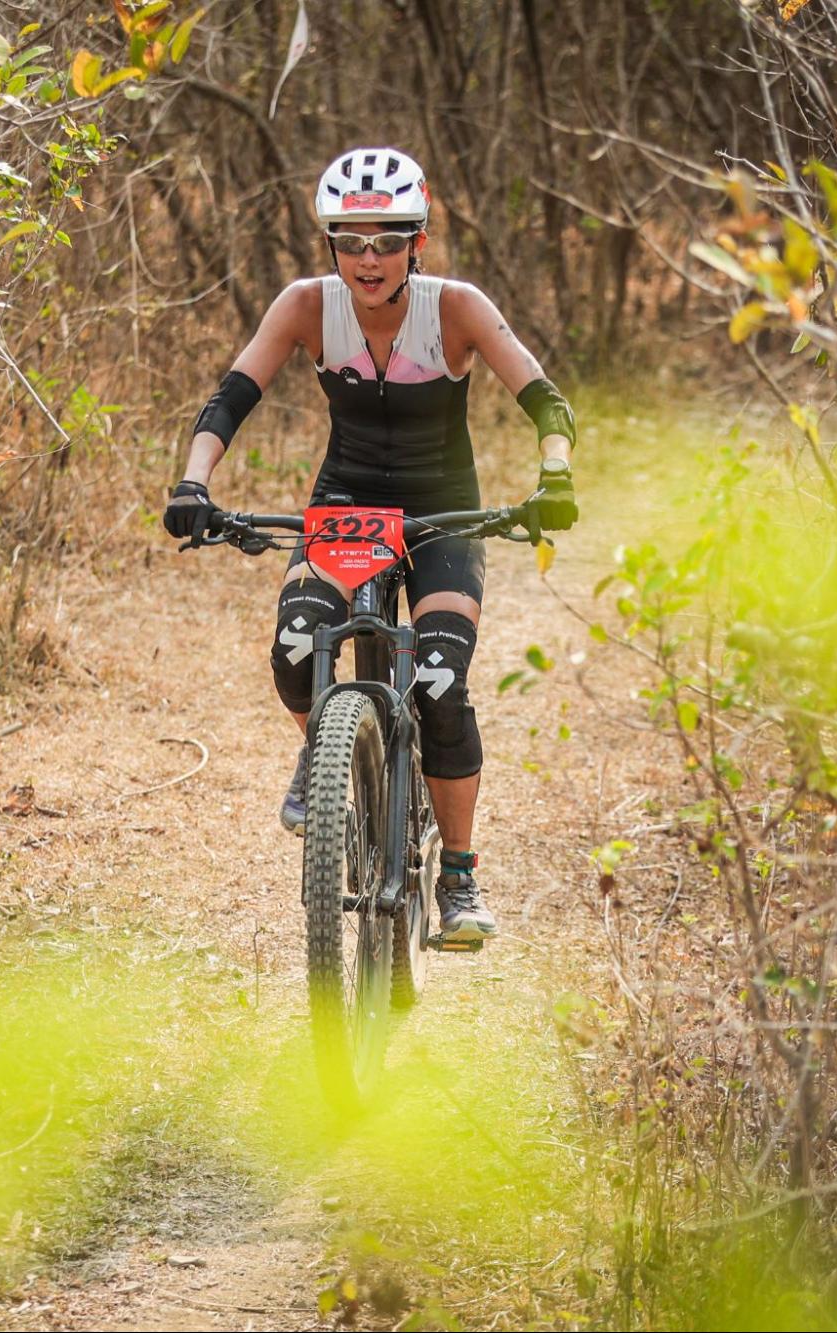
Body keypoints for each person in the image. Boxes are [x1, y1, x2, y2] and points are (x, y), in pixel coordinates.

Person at [161, 147, 578, 941]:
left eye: (387, 240)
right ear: (330, 246)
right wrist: (193, 483)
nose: (368, 259)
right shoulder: (305, 305)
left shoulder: (455, 307)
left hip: (444, 513)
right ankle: (326, 750)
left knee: (439, 682)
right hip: (344, 507)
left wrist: (552, 473)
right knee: (292, 651)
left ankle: (456, 876)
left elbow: (544, 398)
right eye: (350, 241)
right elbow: (230, 397)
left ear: (416, 242)